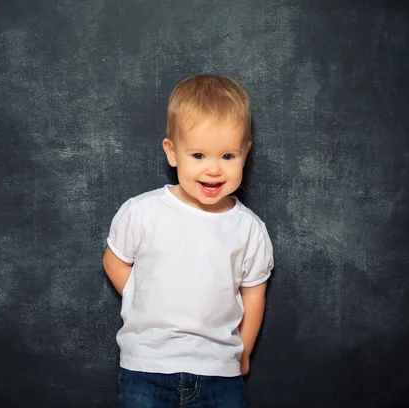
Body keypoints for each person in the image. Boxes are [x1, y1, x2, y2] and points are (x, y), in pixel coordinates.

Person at [103, 74, 274, 408]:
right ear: (172, 152)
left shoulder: (248, 229)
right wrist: (148, 298)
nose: (213, 170)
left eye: (227, 156)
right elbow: (114, 260)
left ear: (245, 154)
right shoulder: (143, 211)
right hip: (147, 368)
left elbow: (254, 293)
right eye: (198, 155)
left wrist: (245, 351)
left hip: (219, 373)